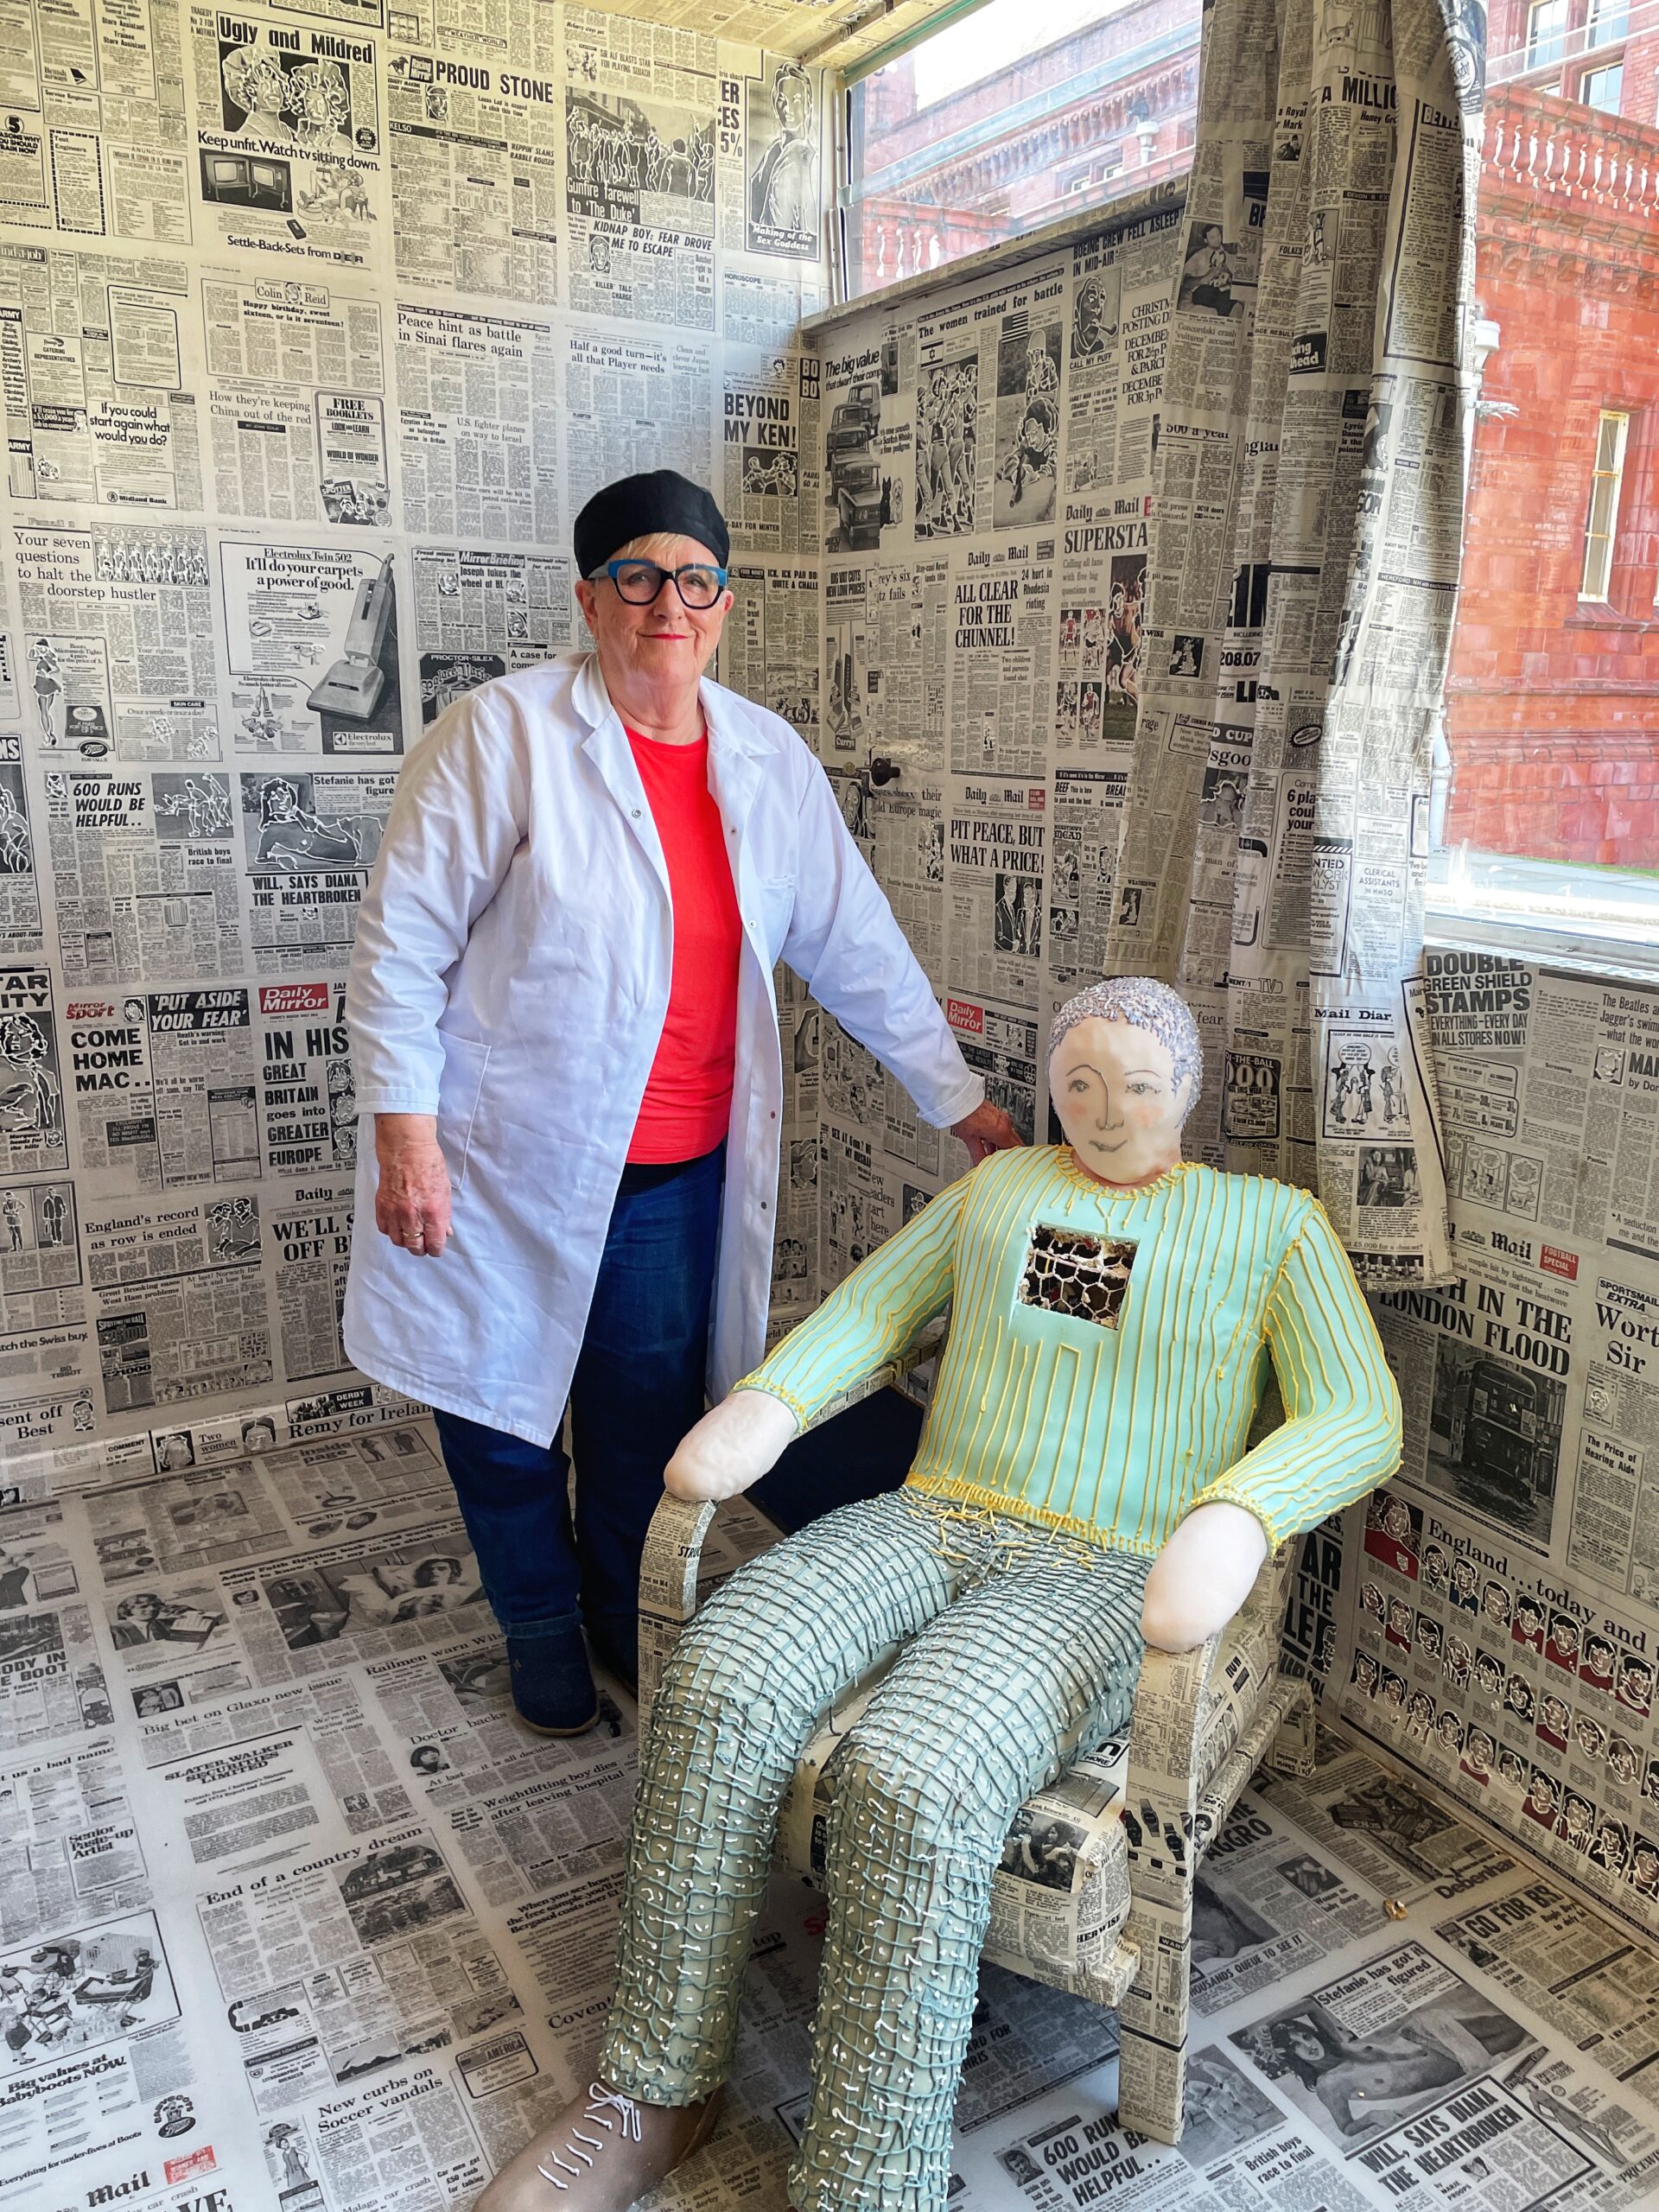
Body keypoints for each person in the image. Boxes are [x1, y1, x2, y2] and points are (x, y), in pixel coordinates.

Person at [480, 976, 1400, 2212]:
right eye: (1080, 1084)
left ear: (1184, 1089)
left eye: (1138, 1086)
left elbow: (1357, 1410)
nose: (1107, 1112)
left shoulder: (1271, 1226)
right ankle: (653, 2084)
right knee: (721, 1667)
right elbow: (876, 1308)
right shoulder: (1000, 1189)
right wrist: (773, 1404)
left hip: (1100, 1563)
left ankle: (866, 2182)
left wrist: (1238, 1513)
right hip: (932, 1515)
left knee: (919, 1767)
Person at [343, 470, 1018, 1735]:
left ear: (723, 605)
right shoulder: (502, 734)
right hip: (499, 1157)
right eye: (639, 576)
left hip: (672, 1172)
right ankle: (538, 1627)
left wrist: (961, 1103)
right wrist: (407, 1138)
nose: (670, 604)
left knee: (640, 1416)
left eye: (696, 580)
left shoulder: (767, 760)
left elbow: (856, 946)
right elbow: (402, 945)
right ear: (591, 598)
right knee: (494, 1414)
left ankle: (617, 1613)